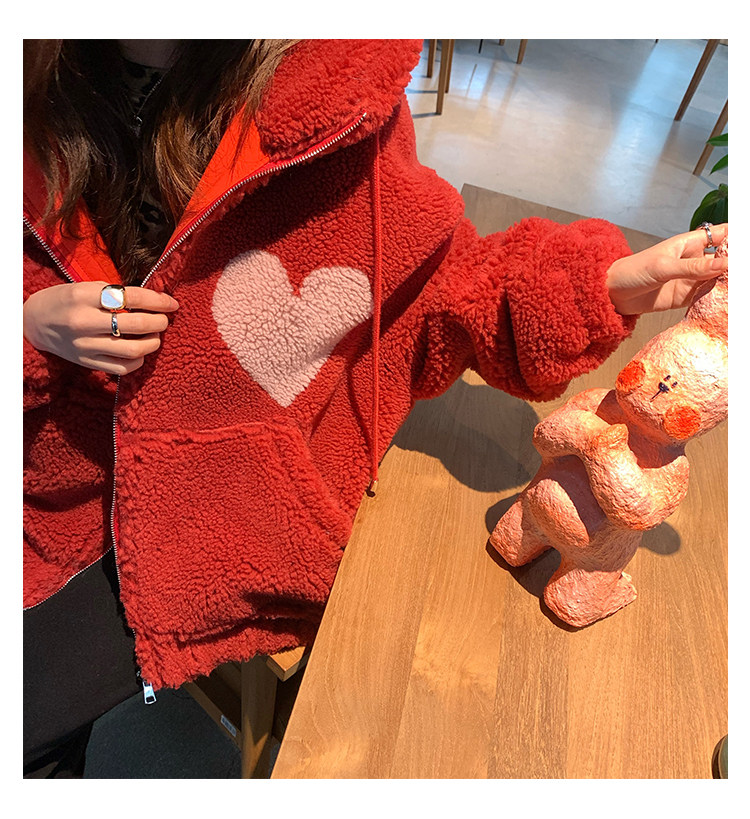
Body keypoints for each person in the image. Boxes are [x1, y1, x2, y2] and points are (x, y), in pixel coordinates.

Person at [22, 39, 728, 778]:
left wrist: (603, 285)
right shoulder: (38, 74)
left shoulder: (329, 86)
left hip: (222, 507)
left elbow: (442, 292)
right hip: (52, 465)